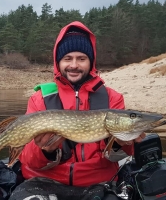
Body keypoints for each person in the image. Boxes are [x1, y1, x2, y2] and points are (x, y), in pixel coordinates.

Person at [17, 21, 146, 200]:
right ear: (58, 62)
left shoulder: (112, 98)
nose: (74, 65)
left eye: (81, 58)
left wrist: (123, 143)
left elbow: (118, 156)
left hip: (99, 181)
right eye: (68, 58)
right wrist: (46, 151)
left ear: (91, 61)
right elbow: (27, 159)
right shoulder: (40, 99)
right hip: (46, 181)